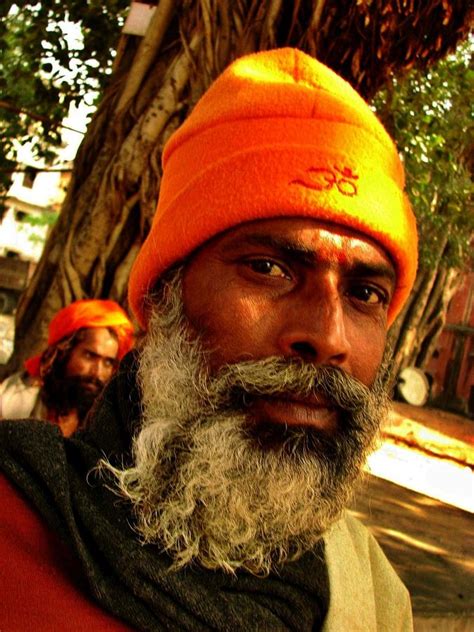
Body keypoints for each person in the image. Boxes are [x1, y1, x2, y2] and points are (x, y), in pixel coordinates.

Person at [0, 49, 417, 630]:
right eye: (269, 269)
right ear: (165, 297)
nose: (327, 337)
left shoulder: (370, 591)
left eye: (365, 294)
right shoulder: (14, 522)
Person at [0, 299, 134, 435]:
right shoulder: (14, 400)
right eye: (89, 356)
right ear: (65, 352)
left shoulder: (109, 422)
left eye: (108, 362)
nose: (97, 372)